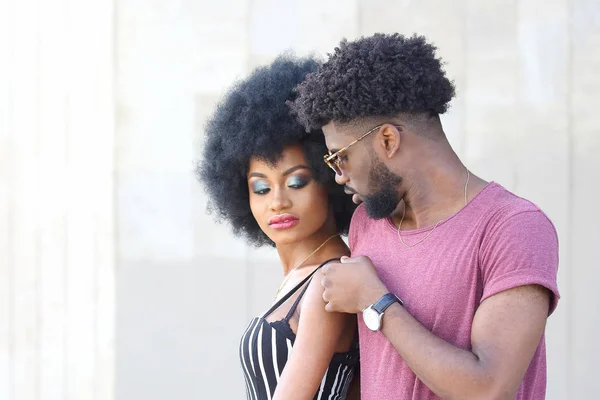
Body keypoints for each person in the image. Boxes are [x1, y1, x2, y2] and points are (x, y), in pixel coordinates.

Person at [289, 33, 560, 400]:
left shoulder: (513, 226)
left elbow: (489, 389)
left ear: (387, 141)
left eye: (341, 156)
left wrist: (376, 302)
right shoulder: (367, 224)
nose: (339, 175)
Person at [198, 55, 359, 400]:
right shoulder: (306, 275)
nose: (278, 201)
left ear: (330, 179)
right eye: (261, 187)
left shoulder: (329, 282)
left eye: (297, 182)